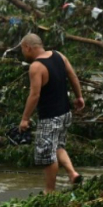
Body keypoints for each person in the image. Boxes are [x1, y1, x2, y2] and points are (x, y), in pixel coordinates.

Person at [18, 34, 85, 193]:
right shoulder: (59, 55)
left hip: (50, 117)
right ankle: (72, 173)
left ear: (28, 47)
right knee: (58, 146)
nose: (23, 53)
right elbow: (73, 76)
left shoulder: (36, 66)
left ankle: (50, 191)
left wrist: (25, 119)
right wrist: (79, 97)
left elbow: (35, 95)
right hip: (65, 113)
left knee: (47, 156)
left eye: (22, 49)